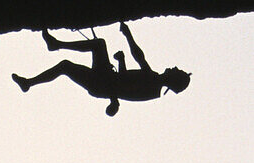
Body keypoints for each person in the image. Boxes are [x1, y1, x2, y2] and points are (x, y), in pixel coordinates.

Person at [11, 23, 190, 116]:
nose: (174, 68)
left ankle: (54, 46)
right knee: (76, 59)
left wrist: (126, 43)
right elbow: (136, 63)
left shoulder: (151, 88)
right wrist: (125, 44)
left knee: (91, 49)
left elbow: (122, 88)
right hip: (105, 80)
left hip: (102, 84)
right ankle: (30, 80)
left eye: (177, 71)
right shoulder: (153, 79)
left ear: (174, 79)